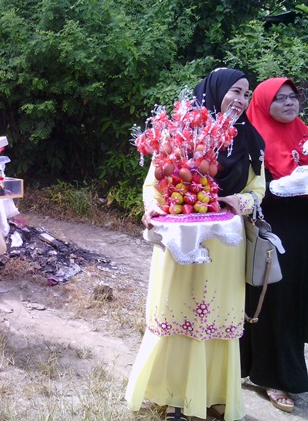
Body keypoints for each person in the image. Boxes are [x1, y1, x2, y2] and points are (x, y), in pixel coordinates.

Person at [125, 68, 266, 421]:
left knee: (217, 317)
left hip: (225, 246)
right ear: (215, 91)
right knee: (178, 311)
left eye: (246, 94)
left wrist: (239, 202)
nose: (241, 99)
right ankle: (174, 396)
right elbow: (153, 183)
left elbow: (258, 190)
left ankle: (215, 394)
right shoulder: (182, 133)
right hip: (182, 243)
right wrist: (153, 208)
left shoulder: (250, 140)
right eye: (235, 91)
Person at [241, 77, 308, 413]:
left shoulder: (303, 132)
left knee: (295, 301)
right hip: (271, 233)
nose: (289, 103)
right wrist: (281, 186)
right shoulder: (251, 137)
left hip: (302, 231)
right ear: (264, 103)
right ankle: (274, 377)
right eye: (279, 98)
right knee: (273, 301)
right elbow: (247, 189)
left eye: (293, 96)